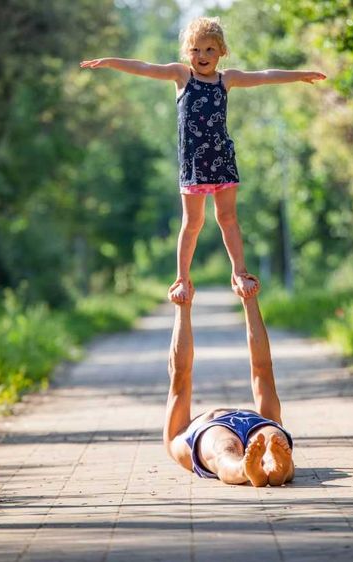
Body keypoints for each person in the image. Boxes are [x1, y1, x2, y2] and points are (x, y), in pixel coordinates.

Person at [80, 17, 325, 303]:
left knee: (228, 218)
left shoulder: (227, 79)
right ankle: (182, 277)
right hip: (194, 165)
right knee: (192, 222)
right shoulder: (181, 76)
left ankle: (240, 272)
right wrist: (111, 62)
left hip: (222, 161)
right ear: (187, 52)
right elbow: (145, 68)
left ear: (221, 51)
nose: (203, 56)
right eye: (196, 50)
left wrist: (299, 75)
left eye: (210, 49)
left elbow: (264, 75)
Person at [163, 288, 295, 487]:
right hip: (255, 422)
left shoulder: (177, 435)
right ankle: (272, 467)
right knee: (267, 440)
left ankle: (252, 468)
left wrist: (183, 307)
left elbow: (180, 375)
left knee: (224, 451)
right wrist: (249, 300)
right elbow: (262, 369)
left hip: (211, 427)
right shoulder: (176, 438)